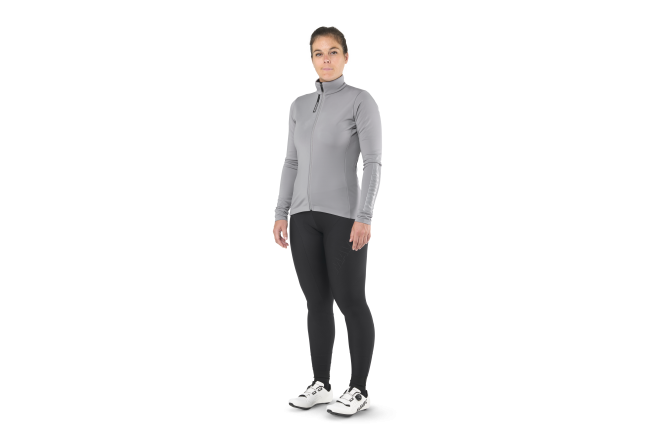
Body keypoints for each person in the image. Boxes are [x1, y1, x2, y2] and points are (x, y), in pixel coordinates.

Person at [273, 25, 382, 417]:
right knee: (316, 301)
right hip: (302, 217)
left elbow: (373, 162)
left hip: (344, 217)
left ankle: (359, 390)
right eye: (318, 53)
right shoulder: (299, 105)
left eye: (333, 51)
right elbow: (292, 161)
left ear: (346, 57)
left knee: (350, 299)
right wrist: (281, 212)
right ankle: (321, 384)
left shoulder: (360, 100)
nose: (326, 59)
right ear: (311, 59)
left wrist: (364, 216)